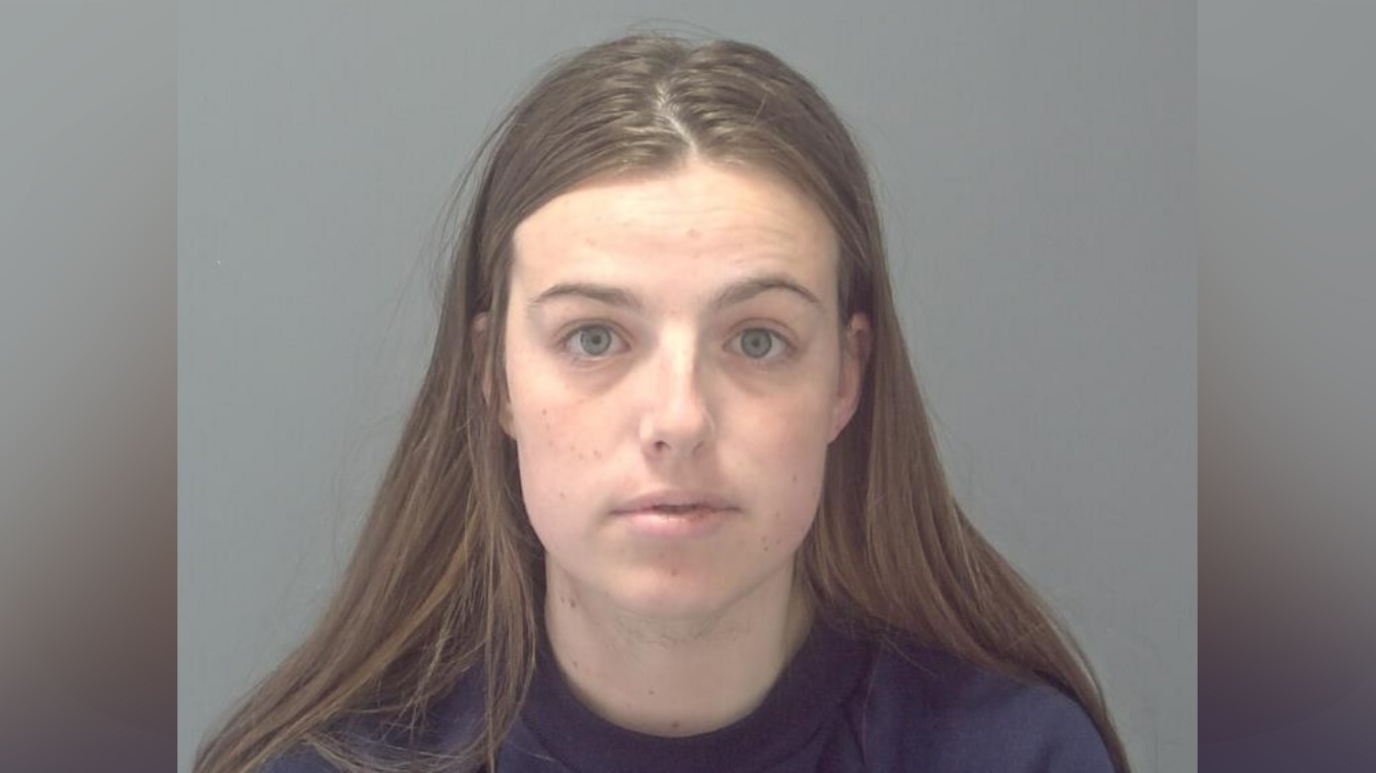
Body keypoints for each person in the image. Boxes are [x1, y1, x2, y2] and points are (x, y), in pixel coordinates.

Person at [194, 33, 1130, 773]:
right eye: (595, 337)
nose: (678, 417)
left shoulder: (1018, 758)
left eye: (756, 339)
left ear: (845, 379)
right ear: (495, 379)